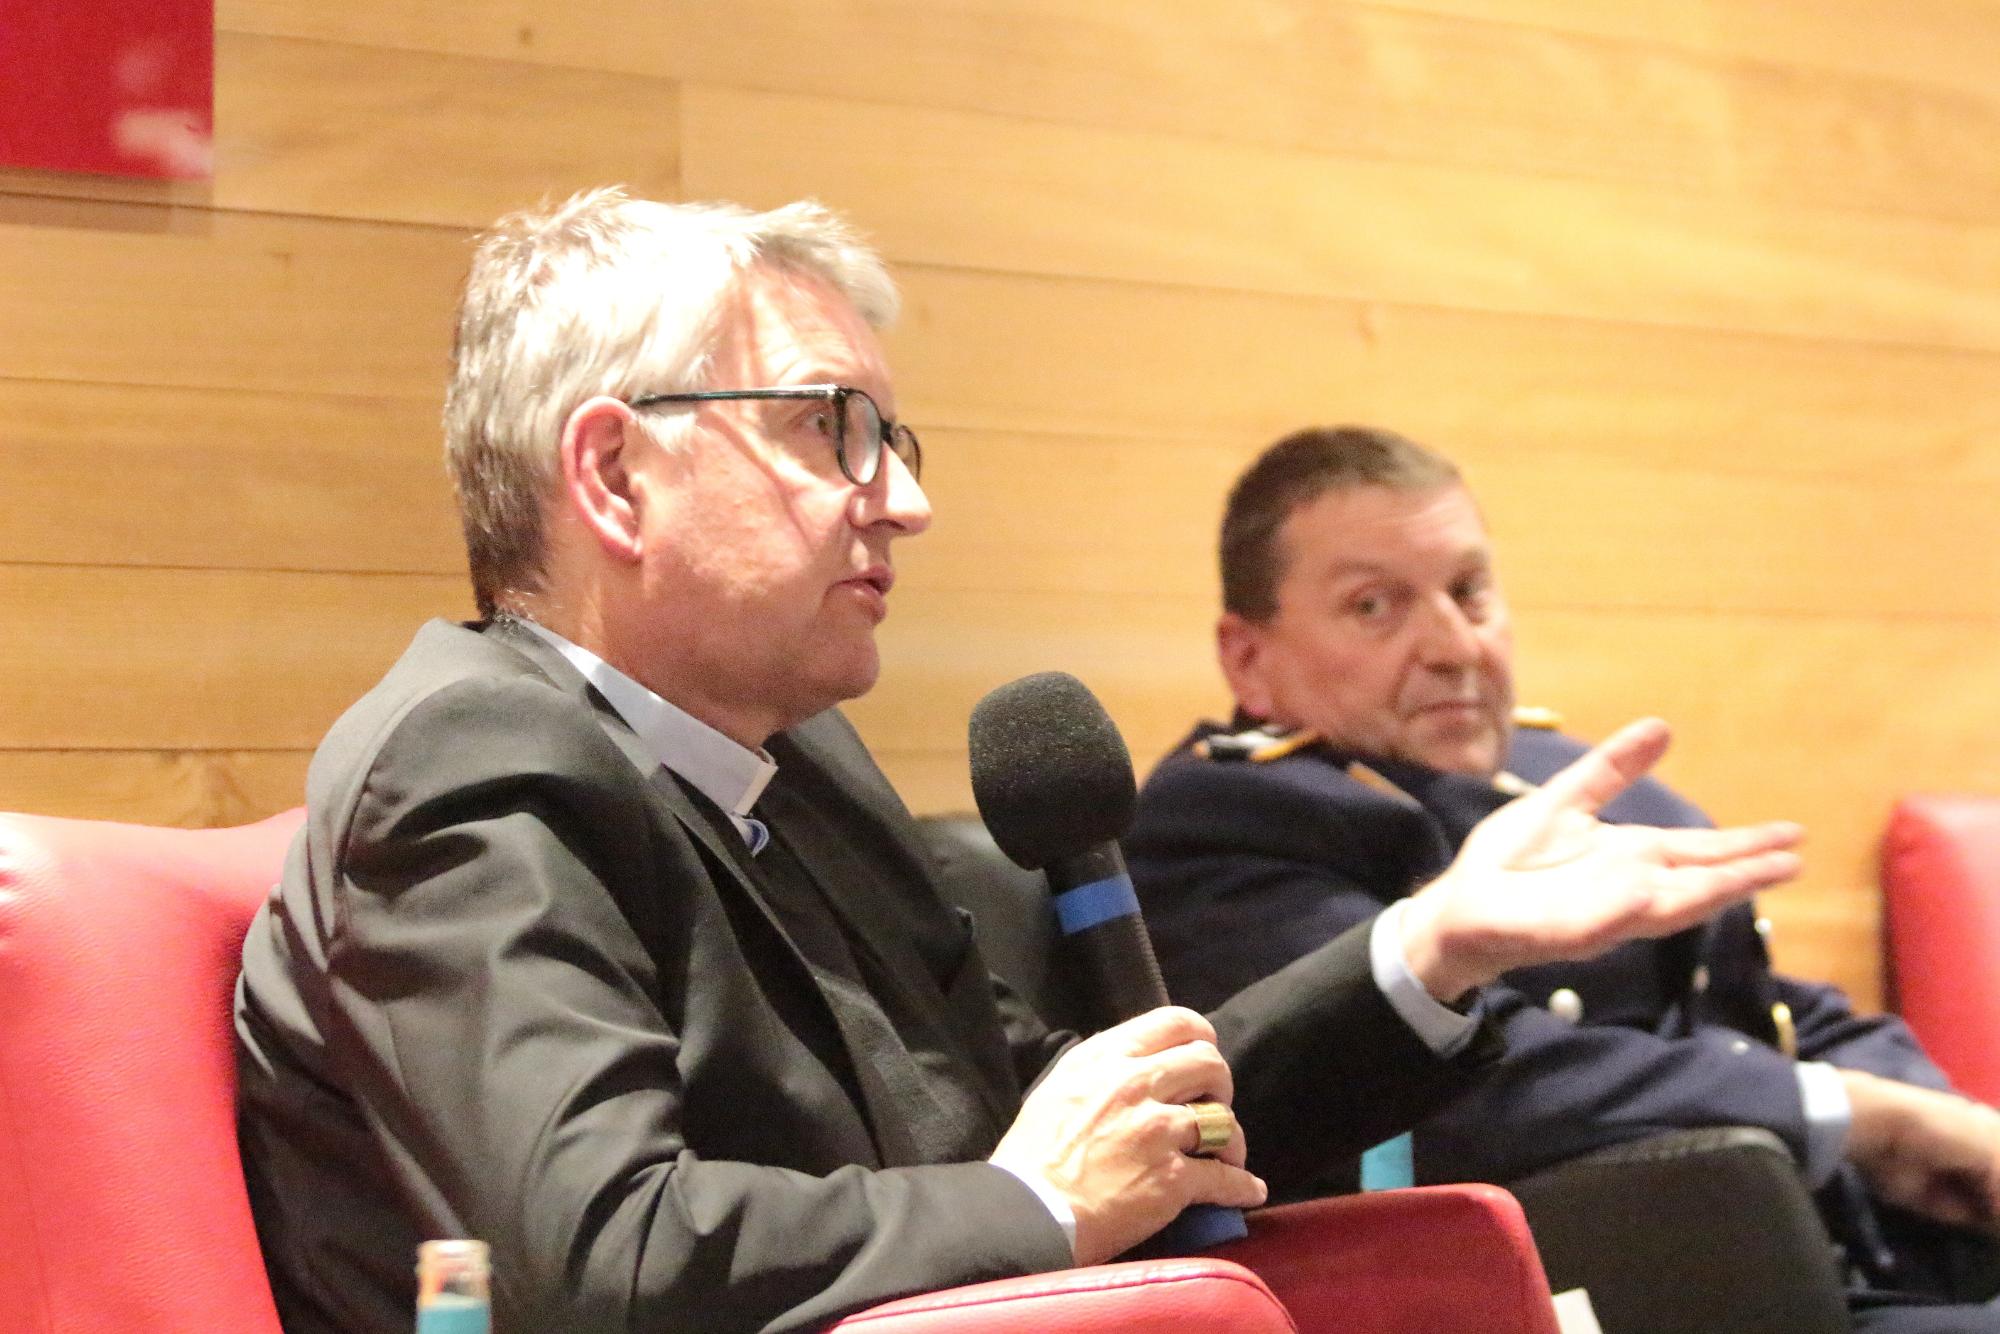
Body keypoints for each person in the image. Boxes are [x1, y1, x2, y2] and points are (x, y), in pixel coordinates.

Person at [233, 193, 1800, 1334]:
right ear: (613, 473)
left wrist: (1429, 946)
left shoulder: (796, 767)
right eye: (832, 429)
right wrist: (1037, 1204)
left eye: (894, 444)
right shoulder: (473, 765)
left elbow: (1082, 1118)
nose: (897, 502)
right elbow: (598, 1260)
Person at [1125, 424, 2000, 1330]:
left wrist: (1941, 1119)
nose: (1454, 645)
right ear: (1248, 660)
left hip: (1846, 1261)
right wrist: (1848, 1114)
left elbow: (1765, 1002)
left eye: (1470, 592)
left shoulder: (1561, 776)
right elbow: (1461, 1092)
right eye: (1375, 607)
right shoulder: (1226, 820)